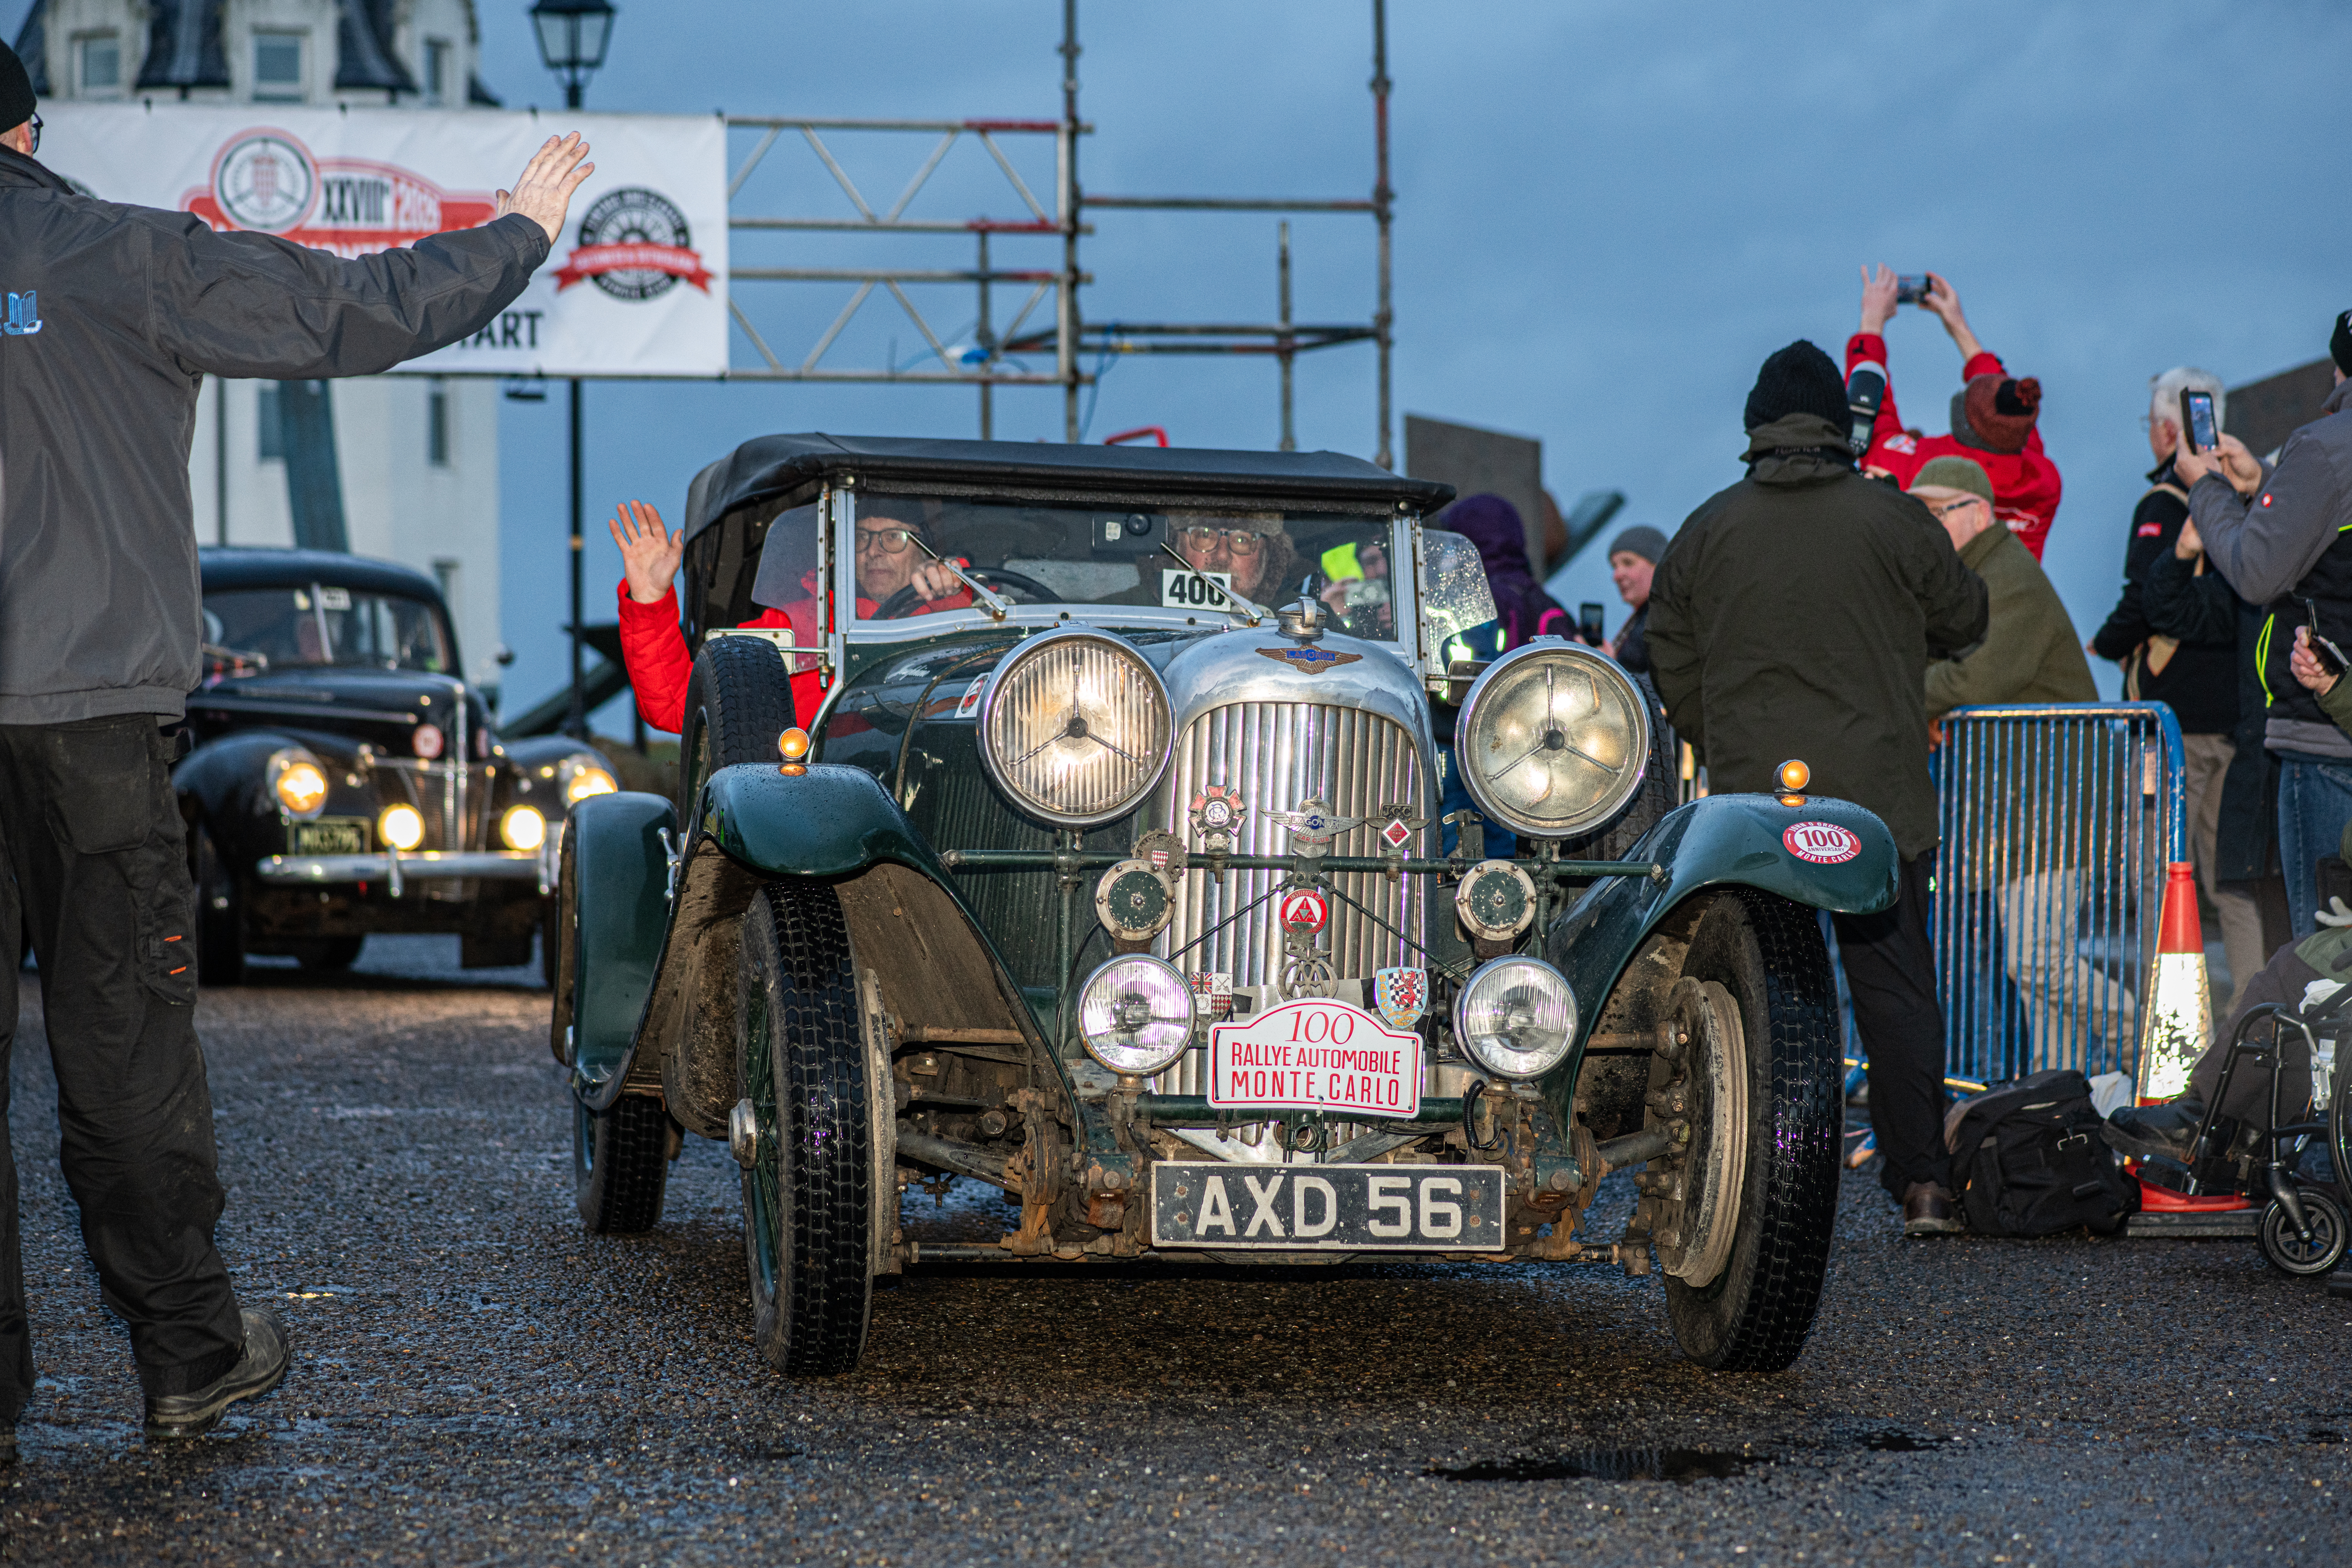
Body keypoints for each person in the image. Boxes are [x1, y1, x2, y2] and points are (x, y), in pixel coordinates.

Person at [0, 40, 593, 1447]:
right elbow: (344, 310)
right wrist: (518, 236)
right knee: (124, 1050)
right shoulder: (115, 254)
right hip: (87, 715)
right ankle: (190, 1356)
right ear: (28, 126)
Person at [1647, 341, 1989, 1237]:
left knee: (1763, 986)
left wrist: (1715, 731)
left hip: (1756, 807)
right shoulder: (1890, 518)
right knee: (1895, 986)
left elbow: (1664, 653)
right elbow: (1964, 616)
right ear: (1838, 426)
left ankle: (1760, 1182)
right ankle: (1922, 1183)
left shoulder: (1708, 527)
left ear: (1756, 426)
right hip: (1877, 798)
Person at [1912, 456, 2115, 1067]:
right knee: (2035, 975)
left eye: (1933, 512)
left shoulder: (2008, 578)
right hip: (2023, 804)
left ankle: (2160, 1044)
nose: (1922, 525)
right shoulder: (1974, 577)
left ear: (1977, 512)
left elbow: (1979, 678)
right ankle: (2063, 1101)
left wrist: (1905, 696)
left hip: (2051, 801)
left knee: (2038, 961)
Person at [2090, 368, 2264, 1014]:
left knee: (2158, 877)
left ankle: (2162, 1033)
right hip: (2238, 721)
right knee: (2233, 885)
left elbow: (2146, 599)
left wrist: (2107, 643)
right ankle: (2251, 1030)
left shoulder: (2163, 507)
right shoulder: (2249, 502)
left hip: (2171, 724)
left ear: (2166, 430)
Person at [2178, 309, 2352, 937]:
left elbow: (2257, 570)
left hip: (2327, 731)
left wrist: (2208, 490)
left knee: (2325, 962)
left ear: (2341, 367)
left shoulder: (2328, 444)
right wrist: (2268, 485)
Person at [611, 499, 972, 734]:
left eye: (893, 537)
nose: (874, 552)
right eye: (860, 537)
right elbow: (677, 703)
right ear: (839, 550)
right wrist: (650, 597)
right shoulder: (798, 627)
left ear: (924, 549)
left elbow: (992, 688)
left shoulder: (973, 615)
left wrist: (950, 600)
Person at [1846, 268, 2064, 560]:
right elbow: (2010, 405)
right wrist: (1959, 326)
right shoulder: (2042, 479)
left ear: (1962, 421)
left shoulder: (1927, 470)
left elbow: (1870, 415)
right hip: (2010, 602)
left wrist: (1871, 322)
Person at [1443, 494, 1572, 653]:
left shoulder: (1482, 602)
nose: (1447, 554)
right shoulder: (1546, 602)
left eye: (1453, 544)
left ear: (1470, 544)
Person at [1599, 525, 1667, 675]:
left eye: (1628, 563)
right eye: (1614, 567)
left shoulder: (1666, 617)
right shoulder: (1642, 617)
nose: (1617, 575)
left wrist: (1612, 669)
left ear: (1659, 565)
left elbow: (1665, 682)